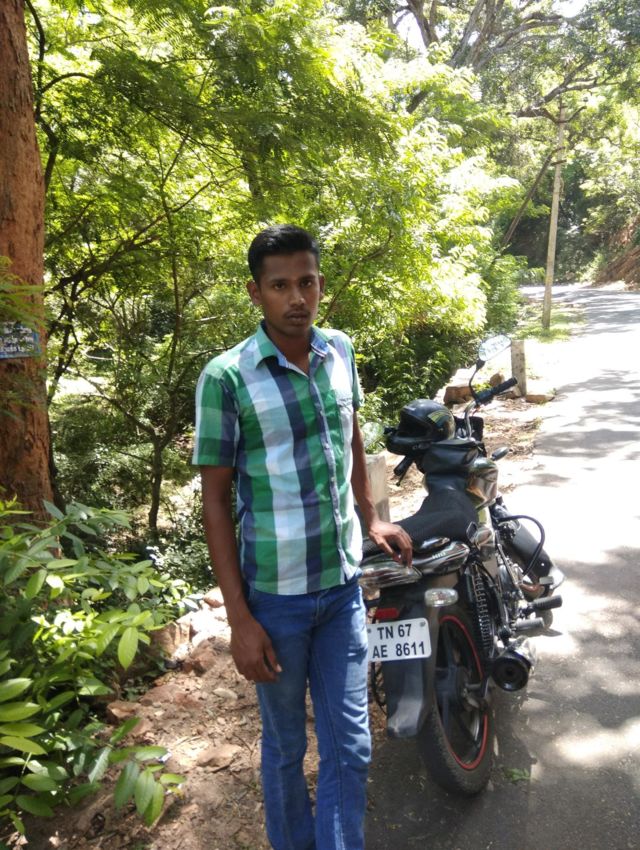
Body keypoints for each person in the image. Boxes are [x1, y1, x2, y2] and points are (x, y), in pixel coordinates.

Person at [192, 224, 412, 850]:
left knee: (352, 745)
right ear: (255, 292)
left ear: (320, 284)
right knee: (287, 747)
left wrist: (370, 514)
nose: (296, 298)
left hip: (341, 589)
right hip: (276, 600)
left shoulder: (338, 350)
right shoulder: (226, 378)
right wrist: (239, 619)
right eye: (280, 285)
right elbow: (215, 502)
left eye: (307, 282)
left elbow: (351, 434)